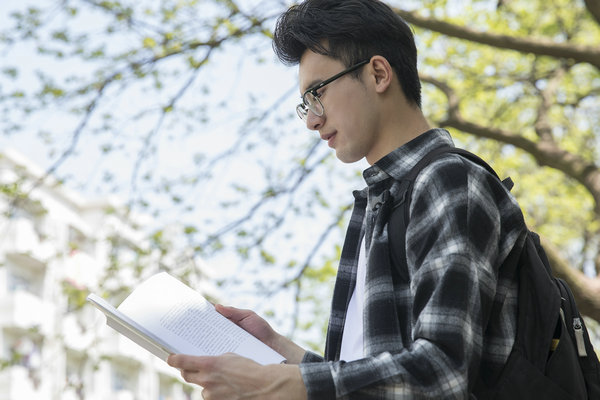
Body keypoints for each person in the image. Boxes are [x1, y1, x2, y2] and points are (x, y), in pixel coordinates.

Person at [167, 0, 528, 398]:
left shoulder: (448, 180)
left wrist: (280, 384)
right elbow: (383, 382)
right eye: (305, 104)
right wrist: (277, 350)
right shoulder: (381, 205)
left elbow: (441, 372)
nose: (311, 119)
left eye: (317, 93)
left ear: (377, 73)